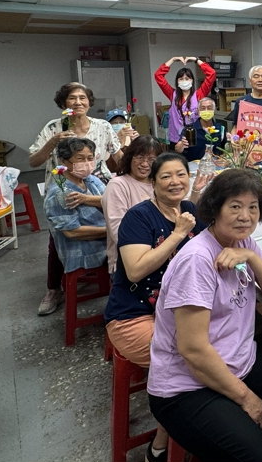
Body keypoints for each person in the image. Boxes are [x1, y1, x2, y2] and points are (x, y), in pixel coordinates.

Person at [146, 169, 262, 462]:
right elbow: (193, 350)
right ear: (215, 209)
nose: (245, 216)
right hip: (186, 386)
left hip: (237, 361)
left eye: (253, 207)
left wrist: (252, 257)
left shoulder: (241, 242)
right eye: (235, 206)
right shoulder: (197, 260)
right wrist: (247, 398)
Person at [104, 152, 209, 462]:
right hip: (134, 317)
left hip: (177, 312)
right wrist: (177, 234)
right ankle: (162, 446)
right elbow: (135, 270)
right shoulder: (139, 217)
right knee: (194, 364)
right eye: (166, 176)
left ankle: (192, 433)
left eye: (181, 174)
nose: (175, 182)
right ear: (152, 182)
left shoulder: (191, 210)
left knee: (216, 351)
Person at [30, 82, 126, 316]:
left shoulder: (102, 126)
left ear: (89, 102)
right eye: (72, 98)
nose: (78, 102)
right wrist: (53, 142)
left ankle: (116, 278)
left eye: (82, 98)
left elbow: (119, 157)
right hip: (64, 185)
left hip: (97, 183)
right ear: (64, 103)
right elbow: (33, 161)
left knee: (112, 223)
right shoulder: (53, 127)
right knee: (60, 238)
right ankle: (54, 289)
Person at [43, 138, 107, 280]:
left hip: (106, 239)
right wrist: (111, 231)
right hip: (86, 250)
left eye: (90, 158)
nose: (86, 163)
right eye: (80, 159)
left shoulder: (91, 180)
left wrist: (86, 199)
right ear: (63, 161)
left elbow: (113, 201)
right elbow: (72, 232)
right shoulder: (60, 193)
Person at [101, 135, 164, 273]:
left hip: (162, 255)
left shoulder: (159, 184)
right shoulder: (118, 185)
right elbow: (117, 231)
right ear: (130, 157)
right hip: (129, 261)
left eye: (151, 160)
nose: (145, 164)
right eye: (140, 157)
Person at [155, 56, 217, 147]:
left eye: (187, 78)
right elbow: (158, 75)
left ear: (192, 80)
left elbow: (211, 74)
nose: (184, 81)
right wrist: (172, 60)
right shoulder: (172, 94)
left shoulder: (199, 94)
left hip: (195, 138)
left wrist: (196, 60)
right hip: (176, 139)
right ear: (177, 82)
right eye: (181, 79)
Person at [175, 97, 227, 161]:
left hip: (214, 164)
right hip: (194, 164)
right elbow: (177, 149)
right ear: (198, 111)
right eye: (203, 108)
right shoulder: (189, 129)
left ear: (214, 110)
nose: (206, 110)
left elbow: (225, 150)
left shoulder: (221, 129)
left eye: (209, 108)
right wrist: (181, 146)